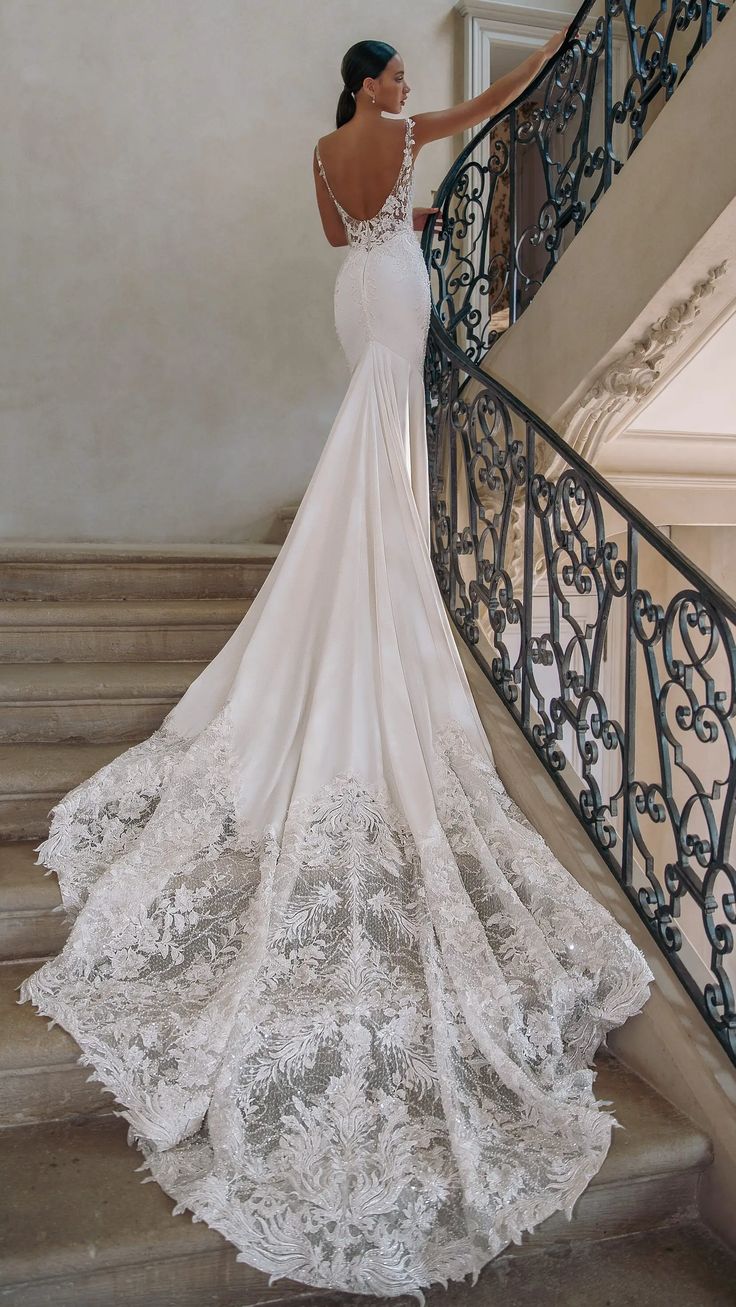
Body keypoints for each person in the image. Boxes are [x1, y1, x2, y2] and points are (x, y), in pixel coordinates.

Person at [19, 31, 654, 1304]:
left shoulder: (323, 151)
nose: (405, 93)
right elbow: (491, 98)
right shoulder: (409, 131)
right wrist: (528, 83)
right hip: (396, 281)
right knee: (394, 414)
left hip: (359, 291)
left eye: (401, 89)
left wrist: (390, 218)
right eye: (392, 81)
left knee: (371, 406)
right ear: (368, 82)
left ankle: (372, 558)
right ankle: (384, 563)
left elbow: (338, 238)